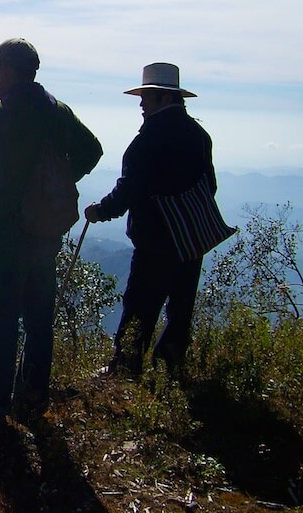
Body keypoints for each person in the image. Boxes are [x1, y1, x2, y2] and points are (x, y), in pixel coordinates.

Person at [0, 38, 102, 426]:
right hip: (44, 233)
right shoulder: (58, 111)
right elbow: (92, 150)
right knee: (39, 316)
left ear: (10, 70)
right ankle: (34, 394)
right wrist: (55, 182)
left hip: (6, 234)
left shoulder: (0, 112)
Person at [84, 62, 214, 378]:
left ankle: (126, 369)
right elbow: (209, 186)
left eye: (147, 97)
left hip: (155, 240)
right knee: (179, 307)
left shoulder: (147, 141)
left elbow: (129, 189)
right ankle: (169, 366)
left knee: (140, 305)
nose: (141, 104)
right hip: (192, 237)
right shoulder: (199, 136)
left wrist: (99, 211)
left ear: (164, 99)